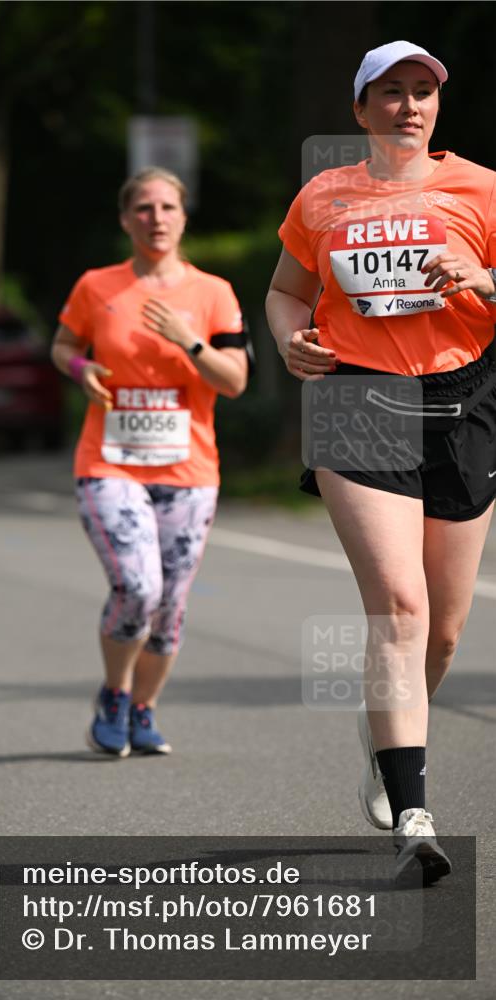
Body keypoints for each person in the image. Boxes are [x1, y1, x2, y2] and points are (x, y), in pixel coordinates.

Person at [266, 40, 496, 883]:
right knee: (397, 605)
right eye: (389, 93)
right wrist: (290, 337)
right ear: (360, 110)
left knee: (440, 627)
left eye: (422, 92)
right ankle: (414, 815)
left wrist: (482, 278)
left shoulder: (481, 189)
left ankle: (384, 738)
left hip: (464, 401)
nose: (408, 105)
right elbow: (286, 290)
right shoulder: (323, 196)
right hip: (355, 400)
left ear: (437, 107)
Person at [52, 167, 248, 758]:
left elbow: (235, 381)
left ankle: (144, 709)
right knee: (138, 587)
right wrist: (81, 370)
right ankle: (114, 693)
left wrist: (189, 340)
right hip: (110, 464)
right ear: (125, 219)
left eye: (167, 207)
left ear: (183, 218)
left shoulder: (212, 292)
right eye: (143, 208)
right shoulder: (97, 286)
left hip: (189, 473)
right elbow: (63, 345)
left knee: (170, 607)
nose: (156, 218)